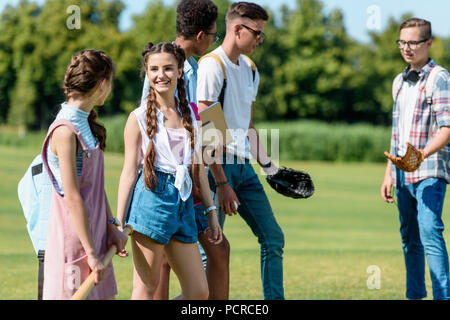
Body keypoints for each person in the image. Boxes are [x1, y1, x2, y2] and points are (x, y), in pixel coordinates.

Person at [116, 42, 223, 300]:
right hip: (151, 203)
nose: (160, 74)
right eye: (153, 69)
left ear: (179, 71)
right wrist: (118, 223)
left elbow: (198, 171)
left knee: (198, 291)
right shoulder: (138, 118)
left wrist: (211, 213)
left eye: (167, 68)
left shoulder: (192, 117)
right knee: (146, 290)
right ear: (147, 73)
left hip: (184, 205)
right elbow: (129, 172)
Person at [140, 0, 230, 300]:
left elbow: (202, 120)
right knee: (167, 267)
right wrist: (220, 180)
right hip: (169, 183)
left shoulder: (191, 67)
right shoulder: (168, 68)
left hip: (190, 179)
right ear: (201, 34)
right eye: (215, 35)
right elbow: (163, 129)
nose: (214, 41)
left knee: (177, 263)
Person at [197, 2, 285, 300]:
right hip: (215, 170)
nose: (260, 39)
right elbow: (209, 133)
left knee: (273, 238)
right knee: (213, 249)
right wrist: (221, 184)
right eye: (257, 34)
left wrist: (271, 168)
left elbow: (247, 126)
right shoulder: (212, 65)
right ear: (237, 29)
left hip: (245, 168)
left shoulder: (249, 68)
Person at [42, 50, 128, 300]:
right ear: (103, 84)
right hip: (75, 243)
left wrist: (111, 225)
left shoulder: (86, 124)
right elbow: (72, 197)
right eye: (110, 82)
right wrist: (90, 252)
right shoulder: (64, 131)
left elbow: (95, 187)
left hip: (96, 236)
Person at [381, 18, 450, 300]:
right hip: (401, 174)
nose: (406, 48)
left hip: (431, 170)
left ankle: (443, 296)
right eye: (402, 42)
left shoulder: (440, 78)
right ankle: (415, 296)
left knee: (429, 232)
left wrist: (421, 154)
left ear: (428, 43)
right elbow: (396, 135)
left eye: (413, 43)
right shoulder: (398, 81)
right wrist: (388, 172)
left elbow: (447, 128)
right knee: (410, 240)